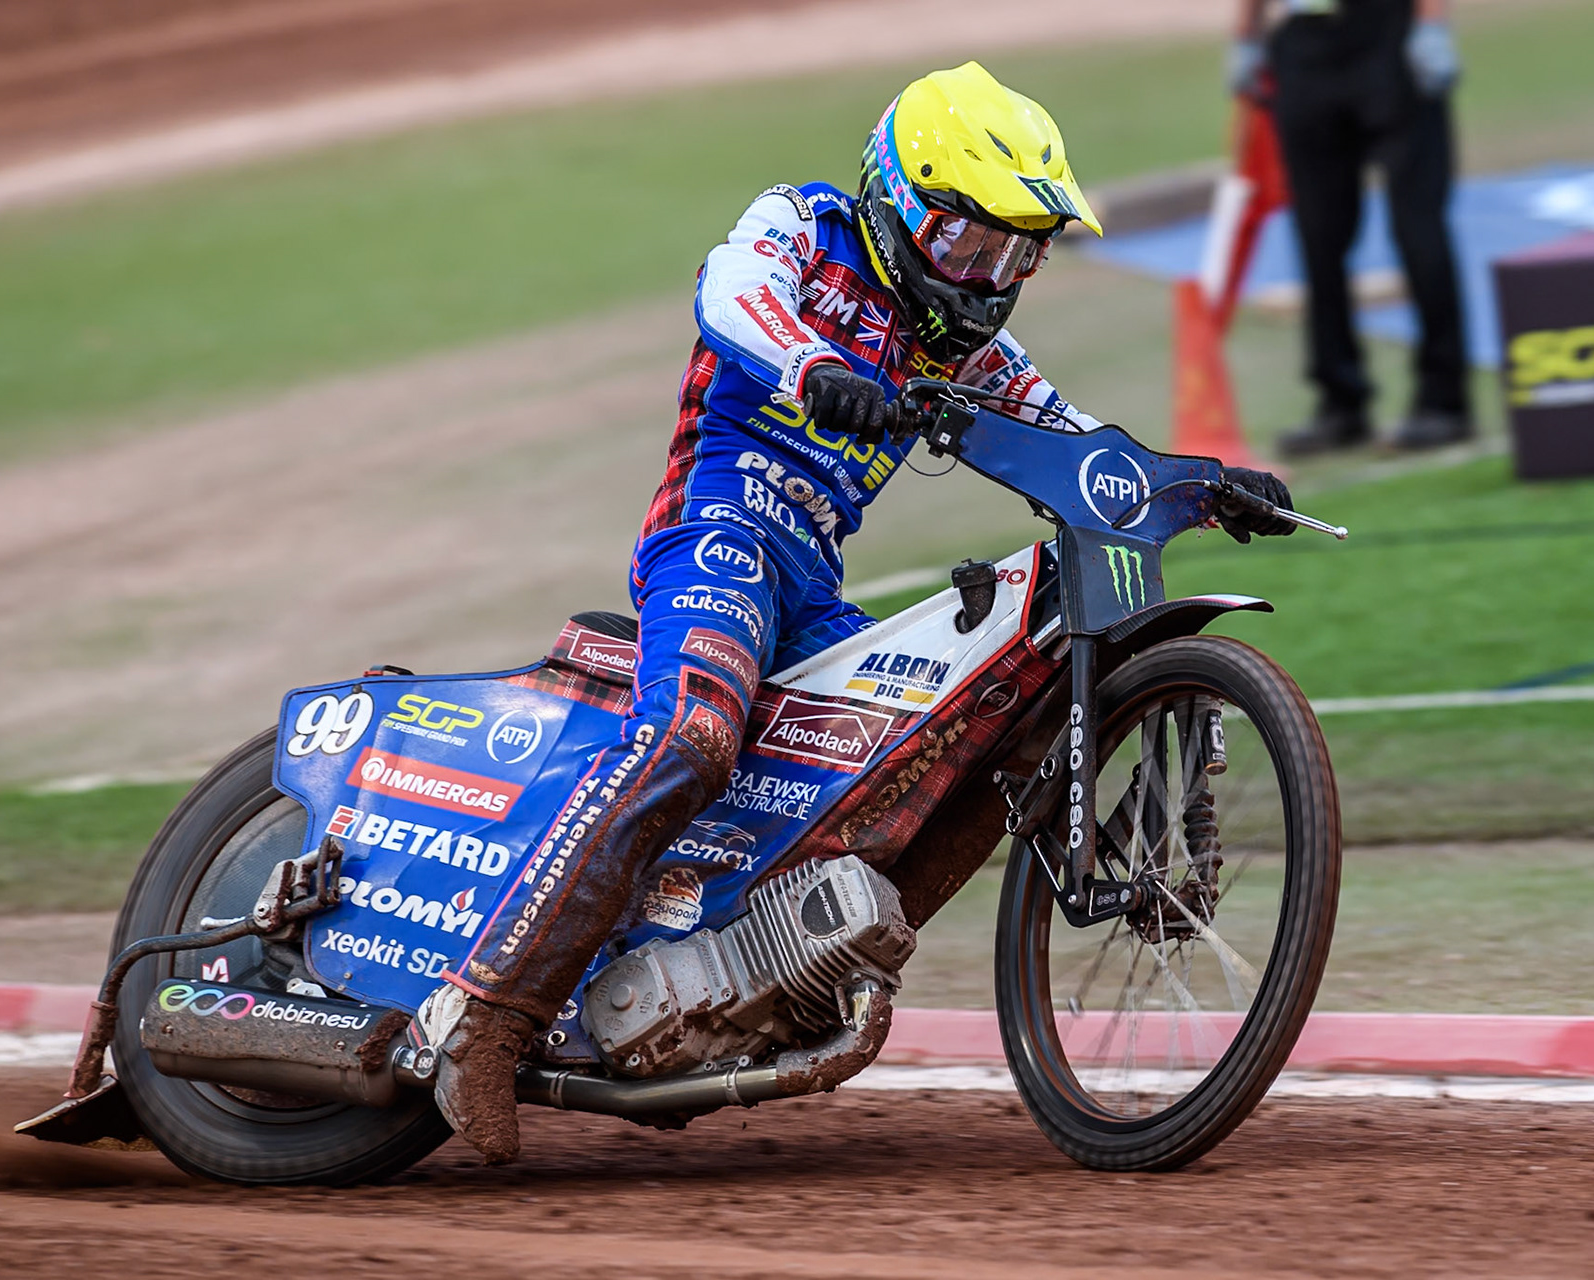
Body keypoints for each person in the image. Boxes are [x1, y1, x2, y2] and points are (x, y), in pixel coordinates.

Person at [420, 61, 1298, 1164]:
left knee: (962, 741)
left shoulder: (968, 346)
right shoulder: (803, 225)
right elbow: (728, 291)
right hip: (717, 535)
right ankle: (485, 1013)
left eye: (1016, 252)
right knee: (694, 731)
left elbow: (1075, 442)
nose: (990, 276)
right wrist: (810, 363)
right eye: (972, 242)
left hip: (814, 591)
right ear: (898, 200)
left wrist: (1205, 484)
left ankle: (756, 981)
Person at [1229, 0, 1473, 454]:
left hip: (1387, 32)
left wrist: (1430, 24)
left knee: (1418, 226)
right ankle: (1340, 402)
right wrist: (1248, 36)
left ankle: (1444, 400)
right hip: (1305, 40)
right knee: (1318, 233)